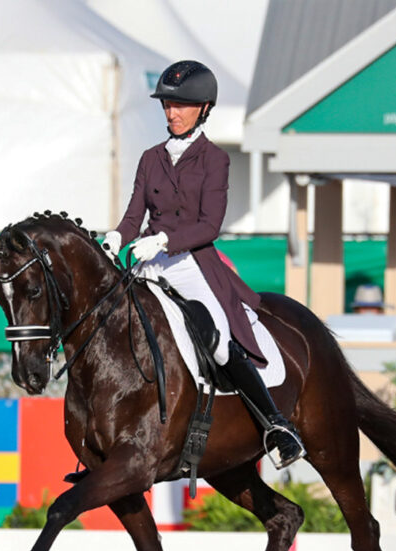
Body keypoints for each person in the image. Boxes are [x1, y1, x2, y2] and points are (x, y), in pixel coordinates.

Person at [100, 59, 304, 468]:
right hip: (149, 261)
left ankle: (275, 426)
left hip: (190, 263)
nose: (172, 113)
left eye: (181, 105)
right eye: (167, 105)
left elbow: (210, 225)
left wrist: (163, 239)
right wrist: (117, 237)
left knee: (218, 340)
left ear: (204, 108)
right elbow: (132, 215)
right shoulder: (150, 157)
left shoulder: (215, 160)